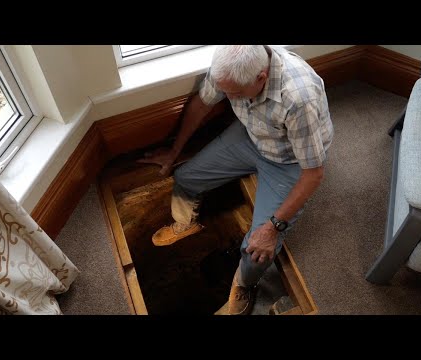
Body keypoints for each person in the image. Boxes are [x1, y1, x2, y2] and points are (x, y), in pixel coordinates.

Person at [137, 45, 334, 315]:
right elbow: (202, 103)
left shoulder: (299, 98)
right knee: (185, 177)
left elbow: (314, 174)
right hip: (252, 136)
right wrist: (174, 152)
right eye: (225, 90)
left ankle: (245, 283)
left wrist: (272, 228)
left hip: (290, 161)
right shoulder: (230, 66)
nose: (226, 98)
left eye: (235, 94)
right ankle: (186, 223)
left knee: (257, 247)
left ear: (261, 78)